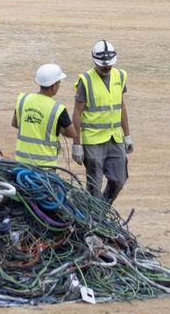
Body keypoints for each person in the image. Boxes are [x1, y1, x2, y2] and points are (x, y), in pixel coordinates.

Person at [72, 41, 132, 203]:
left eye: (109, 65)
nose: (107, 68)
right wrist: (77, 144)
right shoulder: (85, 81)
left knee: (119, 179)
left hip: (115, 139)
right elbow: (77, 113)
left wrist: (127, 135)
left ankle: (102, 211)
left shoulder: (120, 76)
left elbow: (121, 105)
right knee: (94, 187)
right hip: (93, 142)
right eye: (103, 66)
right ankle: (94, 217)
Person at [12, 64, 75, 169]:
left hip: (21, 163)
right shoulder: (57, 109)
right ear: (53, 86)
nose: (59, 86)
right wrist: (56, 129)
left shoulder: (23, 99)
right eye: (59, 83)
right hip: (45, 167)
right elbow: (72, 133)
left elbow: (14, 123)